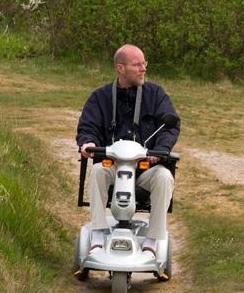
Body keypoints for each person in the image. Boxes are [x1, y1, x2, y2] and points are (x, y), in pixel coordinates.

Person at [77, 44, 180, 257]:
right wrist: (87, 142)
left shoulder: (156, 95)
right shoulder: (100, 97)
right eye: (137, 65)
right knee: (97, 171)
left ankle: (153, 239)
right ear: (120, 68)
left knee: (164, 177)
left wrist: (159, 150)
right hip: (112, 166)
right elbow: (88, 126)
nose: (143, 69)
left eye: (144, 63)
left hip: (145, 168)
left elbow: (170, 125)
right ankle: (97, 232)